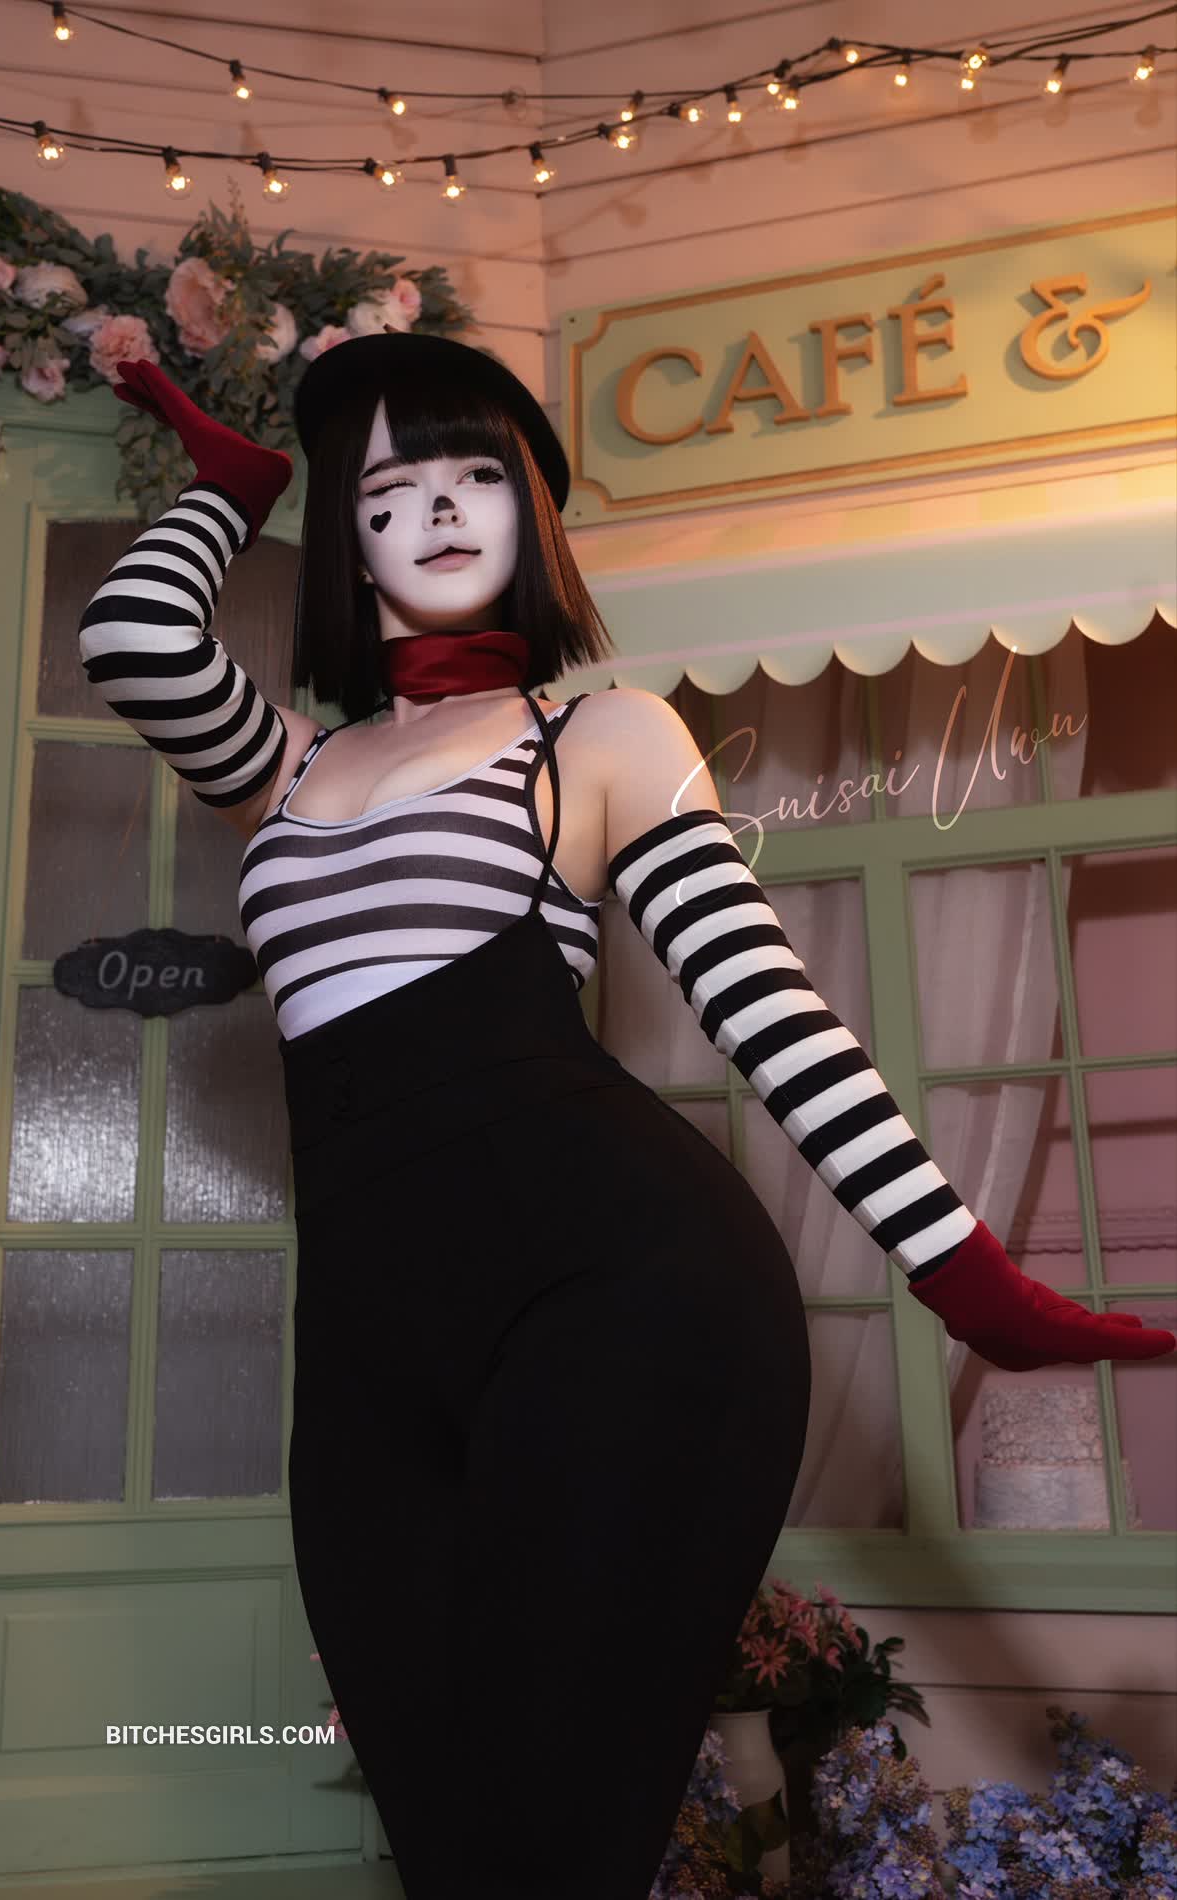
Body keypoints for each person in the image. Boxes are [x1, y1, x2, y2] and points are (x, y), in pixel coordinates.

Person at [76, 334, 1175, 1900]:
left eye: (473, 477)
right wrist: (231, 490)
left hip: (623, 1295)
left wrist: (965, 1275)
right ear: (345, 544)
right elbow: (131, 635)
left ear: (530, 515)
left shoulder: (596, 738)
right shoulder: (286, 765)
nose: (434, 511)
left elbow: (768, 1009)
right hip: (375, 1337)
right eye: (383, 494)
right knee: (442, 1814)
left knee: (561, 1826)